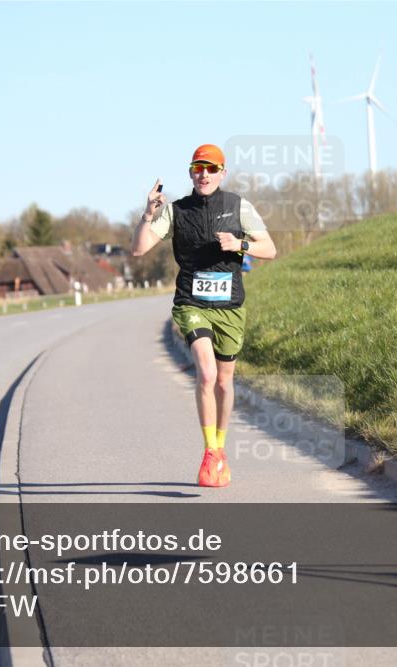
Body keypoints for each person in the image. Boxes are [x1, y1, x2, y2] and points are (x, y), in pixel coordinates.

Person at [131, 144, 277, 487]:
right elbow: (138, 249)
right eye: (199, 168)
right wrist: (148, 214)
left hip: (230, 307)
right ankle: (210, 451)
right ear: (191, 172)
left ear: (222, 173)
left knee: (225, 382)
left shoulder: (238, 206)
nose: (205, 174)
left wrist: (240, 245)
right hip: (191, 303)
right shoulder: (177, 211)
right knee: (207, 373)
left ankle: (221, 448)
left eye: (212, 169)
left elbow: (269, 249)